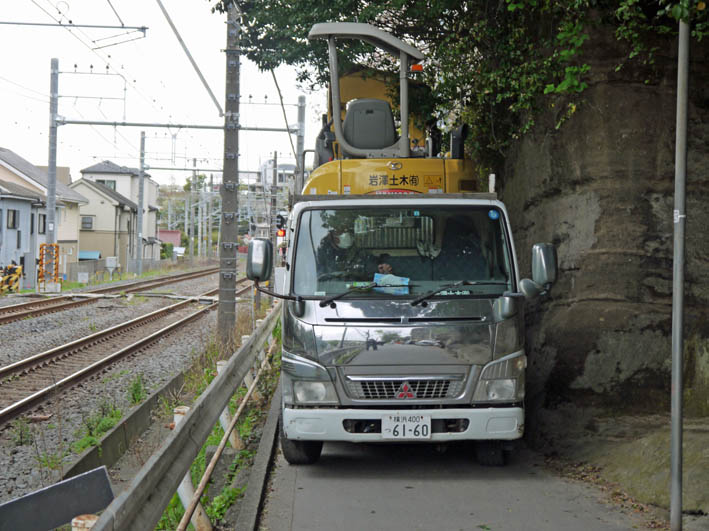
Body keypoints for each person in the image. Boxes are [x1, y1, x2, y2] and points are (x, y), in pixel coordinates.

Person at [316, 229, 392, 280]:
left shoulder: (358, 250)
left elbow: (372, 262)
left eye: (341, 232)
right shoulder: (328, 261)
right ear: (333, 246)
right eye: (335, 238)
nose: (343, 235)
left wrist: (379, 268)